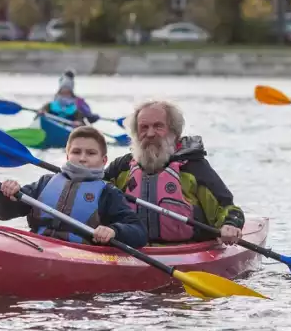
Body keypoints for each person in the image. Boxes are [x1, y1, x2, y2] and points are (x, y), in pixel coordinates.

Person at [104, 101, 245, 245]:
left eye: (158, 126)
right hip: (129, 247)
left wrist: (230, 225)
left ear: (174, 132)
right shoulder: (121, 167)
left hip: (188, 248)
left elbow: (228, 207)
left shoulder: (193, 167)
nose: (150, 133)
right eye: (144, 128)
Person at [0, 126, 147, 248]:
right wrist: (5, 194)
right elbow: (3, 213)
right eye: (76, 152)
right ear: (67, 156)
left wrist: (114, 231)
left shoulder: (108, 193)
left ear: (104, 160)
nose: (83, 158)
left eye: (91, 153)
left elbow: (138, 232)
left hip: (81, 253)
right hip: (37, 245)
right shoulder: (45, 183)